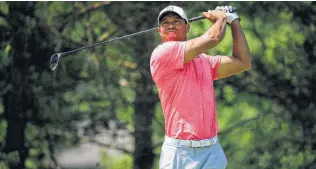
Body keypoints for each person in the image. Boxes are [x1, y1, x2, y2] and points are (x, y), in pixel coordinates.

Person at [150, 5, 251, 169]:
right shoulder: (162, 53)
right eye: (165, 23)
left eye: (176, 21)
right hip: (180, 153)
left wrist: (234, 21)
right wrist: (221, 18)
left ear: (187, 27)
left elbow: (243, 62)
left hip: (211, 150)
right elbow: (213, 38)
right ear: (159, 31)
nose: (170, 25)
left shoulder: (204, 61)